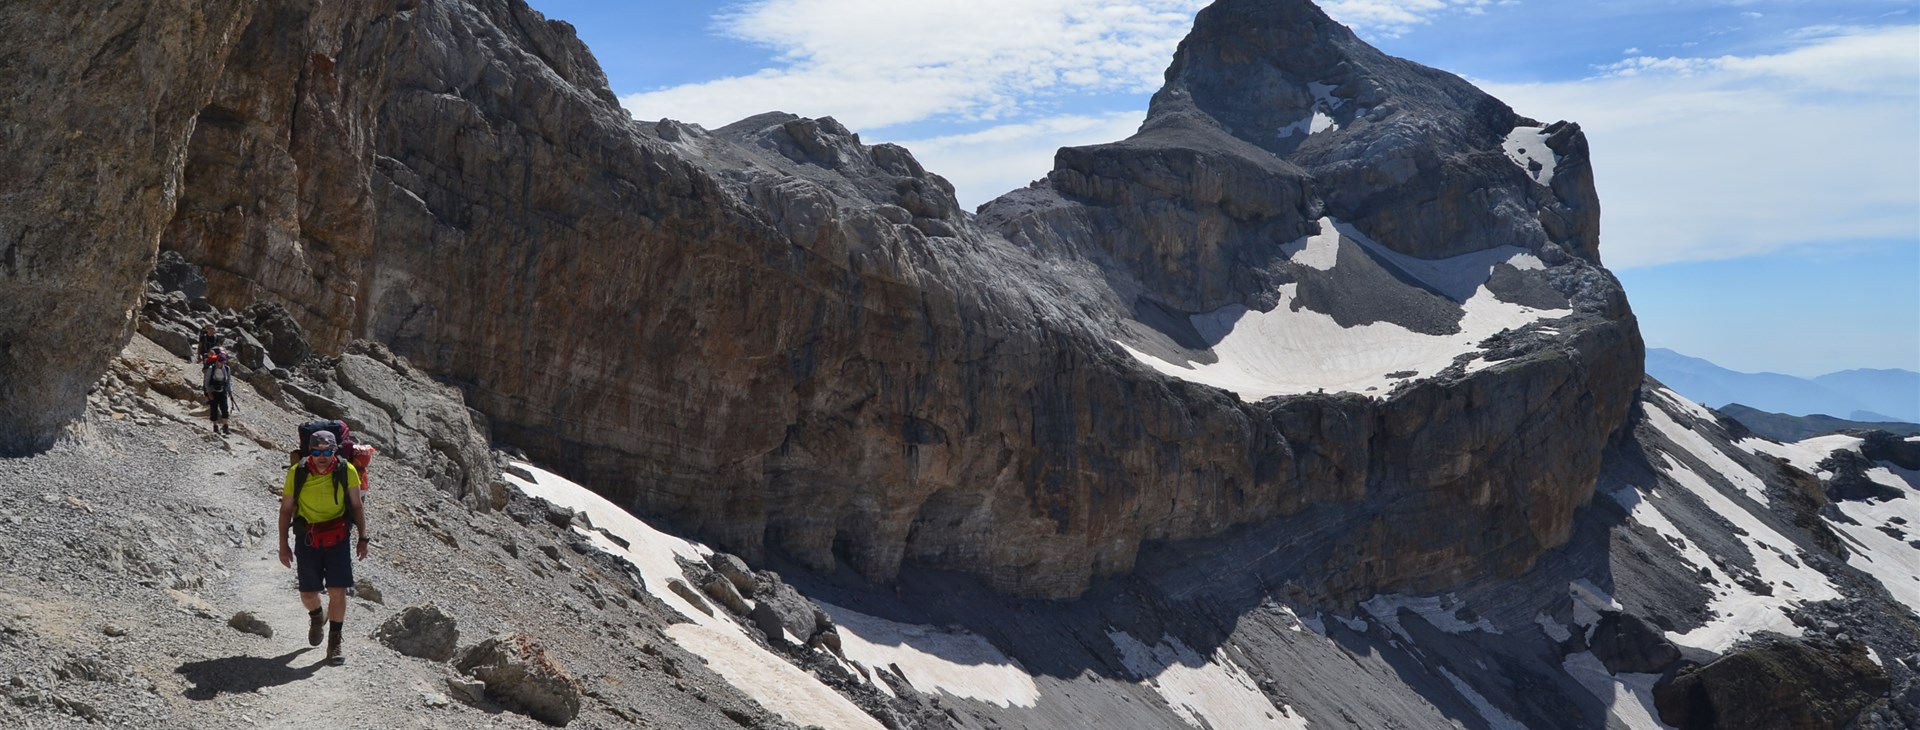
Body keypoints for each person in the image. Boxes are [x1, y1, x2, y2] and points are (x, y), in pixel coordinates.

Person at [277, 431, 370, 666]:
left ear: (334, 451)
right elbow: (286, 510)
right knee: (308, 594)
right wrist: (283, 545)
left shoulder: (346, 470)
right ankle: (317, 615)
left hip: (337, 536)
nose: (321, 457)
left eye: (327, 451)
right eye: (316, 452)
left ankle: (334, 642)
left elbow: (357, 506)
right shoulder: (297, 472)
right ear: (310, 451)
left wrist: (363, 538)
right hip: (307, 537)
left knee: (337, 590)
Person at [202, 348, 234, 435]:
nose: (221, 363)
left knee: (225, 409)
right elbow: (206, 381)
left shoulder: (227, 369)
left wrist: (230, 393)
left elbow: (228, 381)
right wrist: (208, 393)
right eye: (220, 361)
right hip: (213, 392)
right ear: (217, 360)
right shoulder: (211, 369)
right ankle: (215, 426)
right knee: (214, 409)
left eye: (223, 361)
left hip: (222, 391)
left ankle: (225, 427)